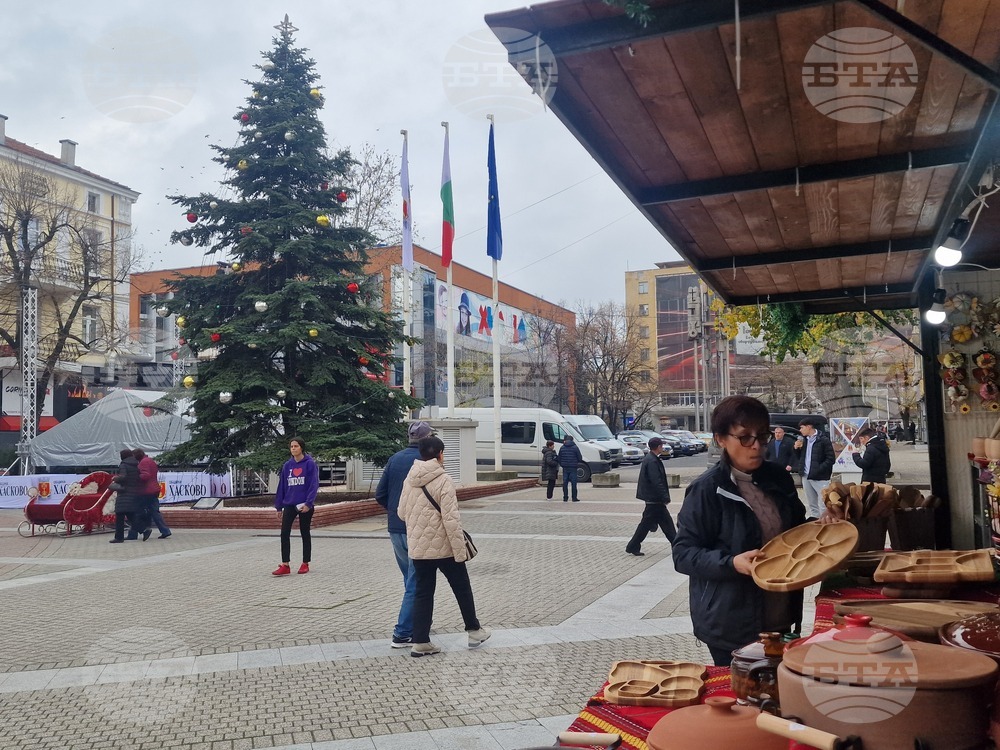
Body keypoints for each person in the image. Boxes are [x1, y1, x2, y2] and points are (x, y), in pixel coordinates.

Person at [672, 396, 807, 666]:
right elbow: (684, 554)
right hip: (731, 622)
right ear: (721, 439)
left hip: (780, 611)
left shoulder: (777, 477)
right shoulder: (707, 489)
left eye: (762, 436)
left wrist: (824, 524)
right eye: (745, 437)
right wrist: (732, 563)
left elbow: (797, 531)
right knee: (742, 700)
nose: (756, 445)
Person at [397, 435, 491, 657]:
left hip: (419, 549)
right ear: (440, 454)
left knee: (422, 593)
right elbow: (451, 520)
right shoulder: (444, 479)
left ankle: (420, 641)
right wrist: (460, 551)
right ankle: (474, 630)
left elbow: (401, 513)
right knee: (462, 588)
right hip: (444, 548)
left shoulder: (409, 478)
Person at [374, 421, 433, 649]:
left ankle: (418, 621)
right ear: (427, 439)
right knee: (415, 581)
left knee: (410, 578)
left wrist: (394, 511)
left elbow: (381, 494)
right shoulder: (426, 462)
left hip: (395, 528)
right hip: (417, 529)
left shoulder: (395, 459)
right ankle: (403, 632)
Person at [272, 436, 318, 576]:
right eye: (291, 446)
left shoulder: (309, 464)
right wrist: (279, 506)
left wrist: (309, 503)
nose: (293, 449)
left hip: (304, 505)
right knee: (284, 532)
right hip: (290, 504)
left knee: (305, 532)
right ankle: (285, 564)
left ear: (301, 448)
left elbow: (313, 485)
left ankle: (305, 563)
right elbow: (282, 486)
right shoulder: (287, 466)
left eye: (296, 446)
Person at [625, 437, 676, 556]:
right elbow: (656, 481)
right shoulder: (652, 461)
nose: (662, 447)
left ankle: (633, 546)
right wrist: (664, 497)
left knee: (653, 524)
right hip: (655, 499)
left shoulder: (651, 459)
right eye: (661, 446)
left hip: (653, 499)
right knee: (665, 525)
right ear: (658, 447)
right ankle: (678, 547)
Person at [794, 417, 834, 520]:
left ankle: (825, 524)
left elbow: (830, 459)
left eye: (802, 427)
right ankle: (815, 524)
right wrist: (797, 449)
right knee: (812, 504)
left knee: (823, 503)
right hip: (806, 475)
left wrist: (819, 469)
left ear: (809, 427)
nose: (800, 430)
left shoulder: (823, 440)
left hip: (820, 477)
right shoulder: (804, 440)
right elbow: (801, 457)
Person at [110, 448, 145, 543]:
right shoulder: (136, 464)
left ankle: (119, 537)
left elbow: (124, 477)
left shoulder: (124, 465)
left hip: (124, 493)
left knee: (120, 515)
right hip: (134, 492)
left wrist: (116, 478)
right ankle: (144, 529)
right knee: (130, 515)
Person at [134, 448, 170, 539]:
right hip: (154, 489)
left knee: (140, 511)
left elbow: (145, 475)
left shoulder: (143, 462)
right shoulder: (150, 460)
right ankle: (164, 530)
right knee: (154, 511)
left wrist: (135, 477)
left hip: (146, 490)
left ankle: (144, 530)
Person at [557, 435, 583, 502]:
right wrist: (576, 462)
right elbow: (580, 458)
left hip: (565, 468)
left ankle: (565, 497)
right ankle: (574, 497)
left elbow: (559, 458)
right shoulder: (575, 447)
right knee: (573, 483)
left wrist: (562, 464)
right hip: (573, 467)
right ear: (572, 440)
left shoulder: (562, 447)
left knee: (565, 483)